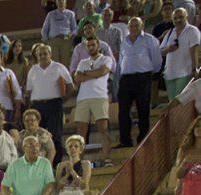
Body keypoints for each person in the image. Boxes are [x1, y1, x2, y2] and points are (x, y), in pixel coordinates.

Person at [118, 17, 164, 147]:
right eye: (131, 26)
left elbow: (157, 60)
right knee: (123, 111)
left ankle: (143, 139)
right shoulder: (124, 41)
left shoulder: (150, 40)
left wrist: (149, 72)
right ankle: (125, 141)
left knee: (143, 109)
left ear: (141, 26)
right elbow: (121, 60)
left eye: (136, 25)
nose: (133, 28)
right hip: (126, 78)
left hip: (142, 78)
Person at [74, 35, 116, 167]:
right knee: (81, 130)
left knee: (103, 128)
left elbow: (103, 72)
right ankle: (79, 162)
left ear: (98, 45)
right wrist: (93, 73)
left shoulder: (106, 59)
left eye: (93, 45)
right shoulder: (82, 62)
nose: (91, 47)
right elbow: (77, 78)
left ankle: (107, 158)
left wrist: (86, 74)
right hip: (83, 98)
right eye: (88, 45)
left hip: (99, 96)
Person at [160, 7, 201, 100]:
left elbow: (194, 50)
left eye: (181, 17)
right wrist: (168, 49)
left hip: (185, 72)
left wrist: (194, 69)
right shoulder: (170, 32)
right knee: (172, 103)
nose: (178, 20)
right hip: (169, 73)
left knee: (180, 103)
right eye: (175, 18)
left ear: (186, 17)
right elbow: (161, 52)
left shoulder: (192, 30)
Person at [174, 115, 201, 195]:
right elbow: (178, 174)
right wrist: (185, 162)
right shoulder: (184, 150)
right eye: (197, 126)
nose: (199, 129)